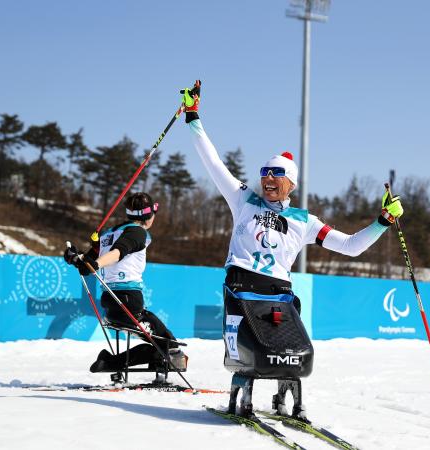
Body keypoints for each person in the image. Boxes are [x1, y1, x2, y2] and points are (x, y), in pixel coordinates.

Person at [181, 80, 403, 417]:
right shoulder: (243, 199)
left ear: (292, 183)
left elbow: (351, 247)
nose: (268, 178)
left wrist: (382, 222)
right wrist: (194, 116)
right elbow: (213, 163)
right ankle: (247, 386)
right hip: (242, 286)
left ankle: (287, 391)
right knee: (251, 347)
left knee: (295, 350)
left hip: (279, 293)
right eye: (265, 173)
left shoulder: (305, 220)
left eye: (277, 174)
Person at [64, 192, 186, 383]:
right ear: (148, 215)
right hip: (128, 299)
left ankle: (111, 361)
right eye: (154, 213)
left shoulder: (107, 234)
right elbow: (118, 253)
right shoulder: (137, 232)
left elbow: (87, 263)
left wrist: (76, 258)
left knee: (160, 337)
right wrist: (95, 264)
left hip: (110, 301)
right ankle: (113, 362)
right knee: (168, 344)